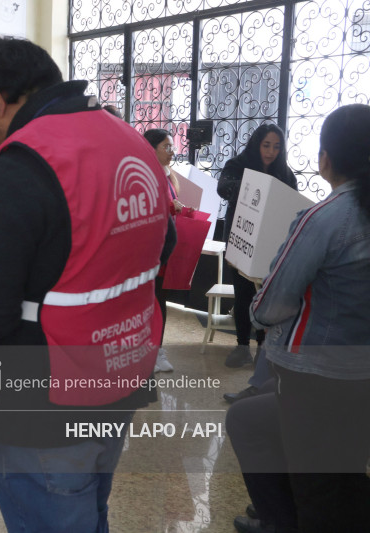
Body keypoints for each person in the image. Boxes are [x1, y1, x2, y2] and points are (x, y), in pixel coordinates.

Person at [0, 36, 168, 532]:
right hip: (120, 372)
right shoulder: (129, 140)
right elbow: (160, 246)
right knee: (89, 509)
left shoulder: (19, 166)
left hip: (41, 404)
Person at [228, 103, 370, 533]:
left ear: (326, 160)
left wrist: (257, 294)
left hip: (318, 372)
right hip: (359, 376)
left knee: (315, 482)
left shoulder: (325, 219)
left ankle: (284, 521)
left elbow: (271, 306)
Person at [217, 124, 296, 368]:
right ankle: (242, 348)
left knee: (265, 298)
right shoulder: (237, 164)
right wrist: (256, 185)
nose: (271, 152)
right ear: (256, 144)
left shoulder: (285, 172)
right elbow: (222, 188)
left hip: (271, 245)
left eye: (276, 146)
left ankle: (263, 350)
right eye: (266, 145)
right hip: (240, 241)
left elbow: (292, 203)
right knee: (243, 297)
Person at [144, 128, 186, 373]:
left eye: (172, 147)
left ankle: (157, 351)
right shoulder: (145, 175)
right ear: (152, 149)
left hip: (164, 248)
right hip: (151, 250)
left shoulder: (167, 174)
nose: (172, 151)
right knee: (149, 301)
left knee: (160, 300)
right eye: (166, 147)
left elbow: (170, 200)